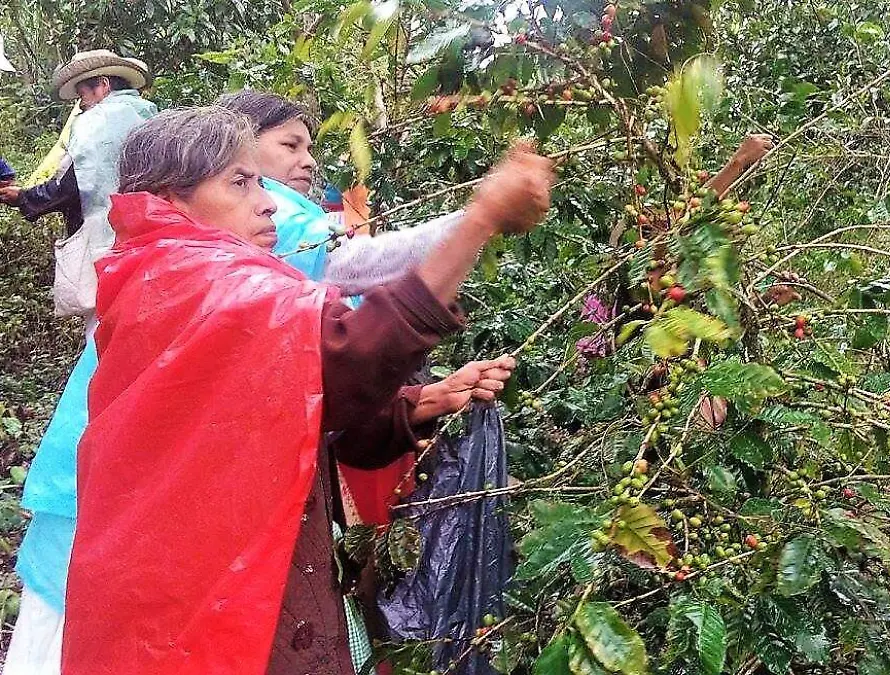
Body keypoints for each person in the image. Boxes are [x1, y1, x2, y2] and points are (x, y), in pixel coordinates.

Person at [60, 106, 553, 675]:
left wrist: (429, 399)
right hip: (203, 588)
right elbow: (348, 355)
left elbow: (302, 407)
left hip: (197, 575)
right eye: (240, 183)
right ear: (175, 199)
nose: (267, 201)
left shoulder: (174, 271)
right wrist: (479, 221)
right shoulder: (192, 281)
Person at [0, 50, 156, 320]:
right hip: (152, 236)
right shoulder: (148, 114)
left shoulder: (96, 125)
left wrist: (24, 197)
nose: (81, 104)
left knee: (106, 323)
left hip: (109, 241)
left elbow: (71, 187)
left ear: (103, 86)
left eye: (83, 95)